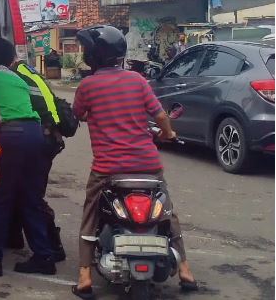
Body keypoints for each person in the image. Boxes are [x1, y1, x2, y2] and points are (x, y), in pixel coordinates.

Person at [71, 25, 197, 300]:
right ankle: (185, 269)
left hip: (108, 170)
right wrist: (168, 133)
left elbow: (78, 114)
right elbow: (161, 117)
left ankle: (84, 276)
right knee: (167, 212)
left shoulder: (87, 86)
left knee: (90, 214)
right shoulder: (138, 81)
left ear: (94, 55)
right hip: (147, 165)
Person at [0, 38, 57, 278]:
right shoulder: (18, 79)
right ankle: (44, 256)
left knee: (1, 199)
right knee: (30, 199)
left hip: (11, 136)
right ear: (12, 58)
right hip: (35, 135)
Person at [7, 53, 68, 262]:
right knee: (23, 191)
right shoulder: (27, 70)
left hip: (44, 137)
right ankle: (17, 237)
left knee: (30, 197)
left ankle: (49, 250)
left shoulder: (16, 75)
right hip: (49, 136)